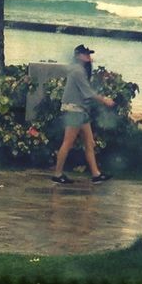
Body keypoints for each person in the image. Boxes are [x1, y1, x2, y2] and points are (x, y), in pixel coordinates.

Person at [50, 44, 115, 185]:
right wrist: (105, 100)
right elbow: (88, 93)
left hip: (81, 111)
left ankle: (96, 174)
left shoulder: (78, 70)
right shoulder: (78, 71)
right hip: (75, 111)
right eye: (86, 54)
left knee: (89, 143)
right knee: (67, 143)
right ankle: (57, 174)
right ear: (78, 56)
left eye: (89, 54)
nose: (89, 57)